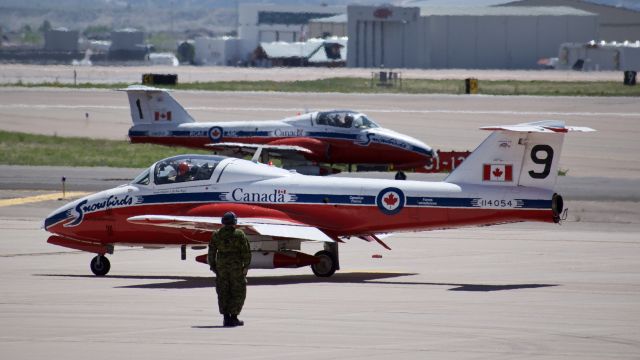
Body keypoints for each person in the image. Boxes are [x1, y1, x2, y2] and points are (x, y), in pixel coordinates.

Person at [208, 212, 251, 327]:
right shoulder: (239, 234)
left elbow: (211, 252)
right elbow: (246, 252)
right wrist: (246, 266)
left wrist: (213, 267)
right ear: (234, 222)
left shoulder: (216, 235)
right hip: (236, 268)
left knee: (223, 292)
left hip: (221, 268)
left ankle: (226, 318)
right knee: (238, 292)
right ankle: (234, 317)